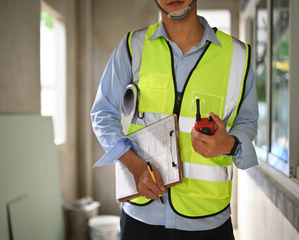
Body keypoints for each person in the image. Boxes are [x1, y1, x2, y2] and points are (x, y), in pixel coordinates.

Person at [91, 0, 258, 239]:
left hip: (207, 219)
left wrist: (229, 144)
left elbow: (248, 120)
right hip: (141, 216)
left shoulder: (238, 56)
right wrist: (134, 165)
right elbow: (103, 113)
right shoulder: (132, 46)